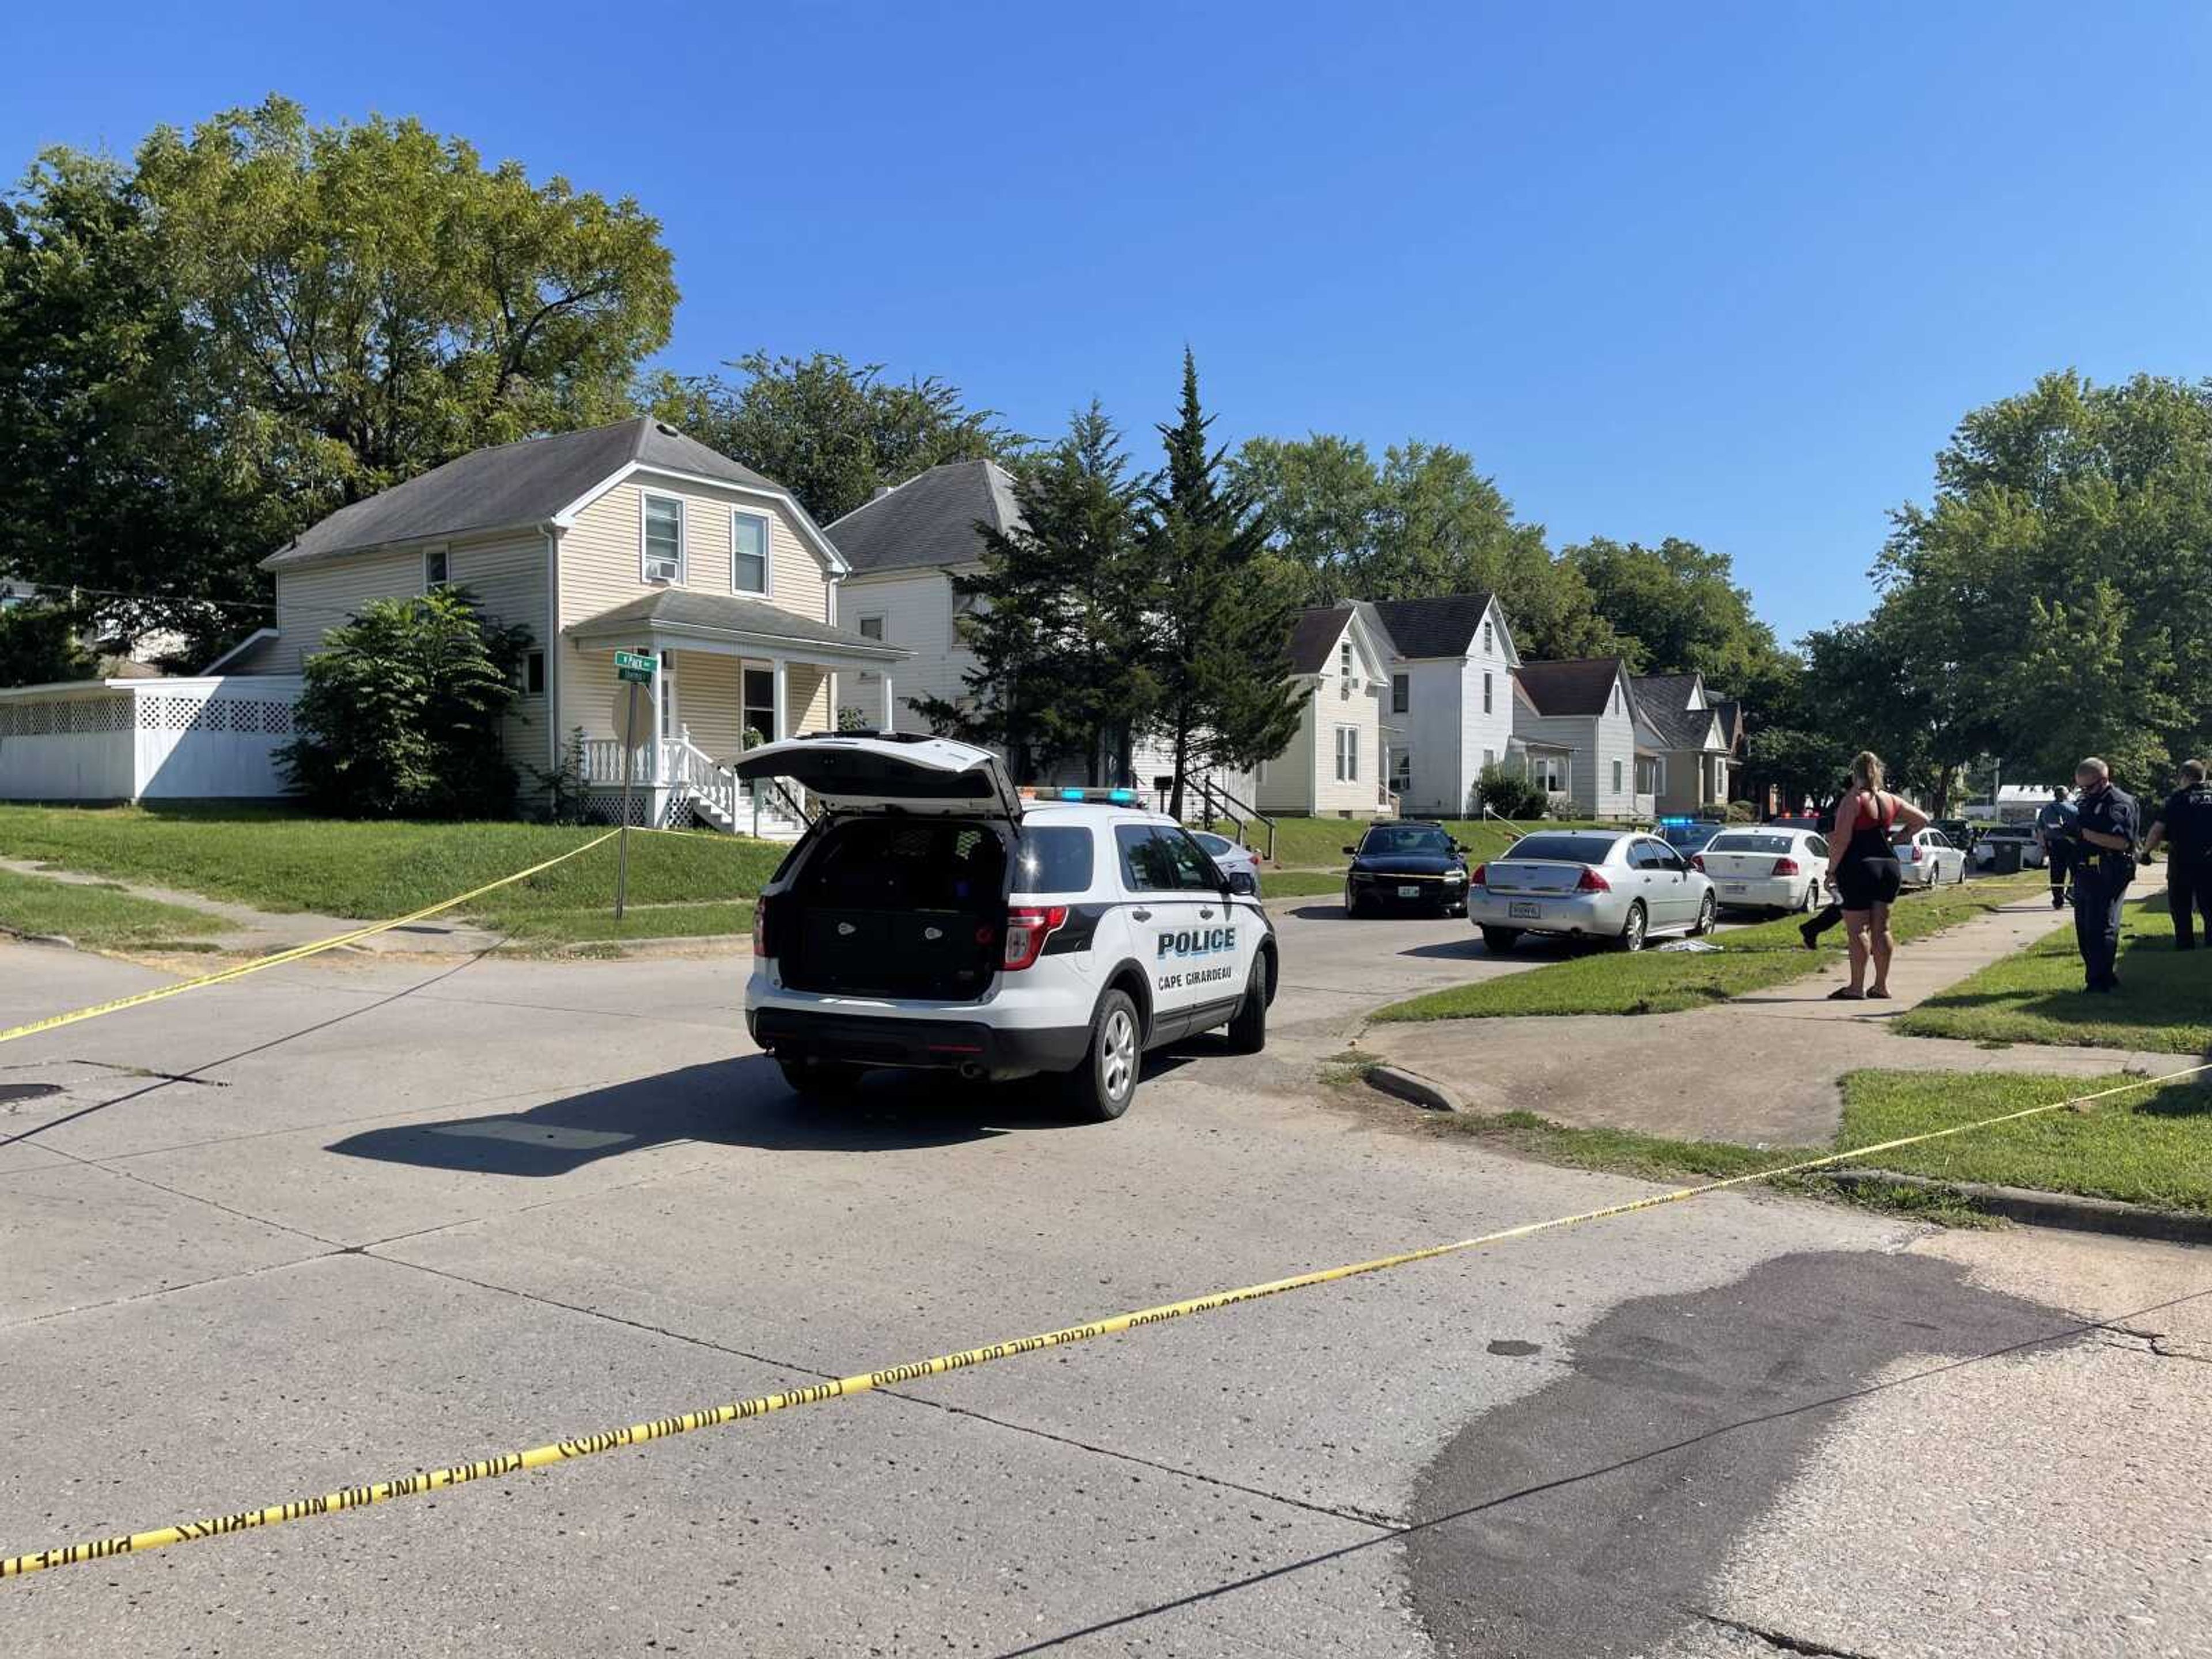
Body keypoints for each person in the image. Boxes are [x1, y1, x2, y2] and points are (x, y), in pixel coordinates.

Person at [1821, 751, 1927, 999]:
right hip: (1889, 867)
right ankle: (1881, 986)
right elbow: (1922, 820)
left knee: (1857, 929)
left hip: (1858, 867)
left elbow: (1841, 840)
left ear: (1854, 772)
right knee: (1882, 929)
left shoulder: (1853, 800)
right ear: (1878, 771)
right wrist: (1898, 839)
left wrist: (1831, 871)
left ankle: (1856, 987)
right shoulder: (1890, 800)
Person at [2063, 756, 2139, 992]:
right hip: (2086, 869)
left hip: (2110, 869)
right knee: (2085, 926)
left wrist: (2084, 834)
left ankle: (2101, 981)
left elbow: (2121, 842)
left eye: (2089, 787)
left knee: (2101, 925)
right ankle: (2096, 975)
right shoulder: (2087, 801)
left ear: (2104, 780)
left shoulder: (2119, 803)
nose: (2085, 792)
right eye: (2081, 788)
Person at [2142, 759, 2212, 949]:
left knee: (2181, 904)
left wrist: (2146, 853)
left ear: (2185, 777)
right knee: (2210, 904)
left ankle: (2185, 942)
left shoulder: (2176, 799)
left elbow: (2158, 830)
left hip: (2182, 860)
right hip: (2210, 860)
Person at [2034, 785, 2077, 911]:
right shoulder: (2074, 809)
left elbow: (2040, 830)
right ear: (2067, 795)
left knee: (2057, 874)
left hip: (2055, 845)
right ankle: (2072, 892)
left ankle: (2058, 901)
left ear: (2055, 795)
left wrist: (2044, 847)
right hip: (2073, 844)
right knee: (2077, 871)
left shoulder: (2047, 809)